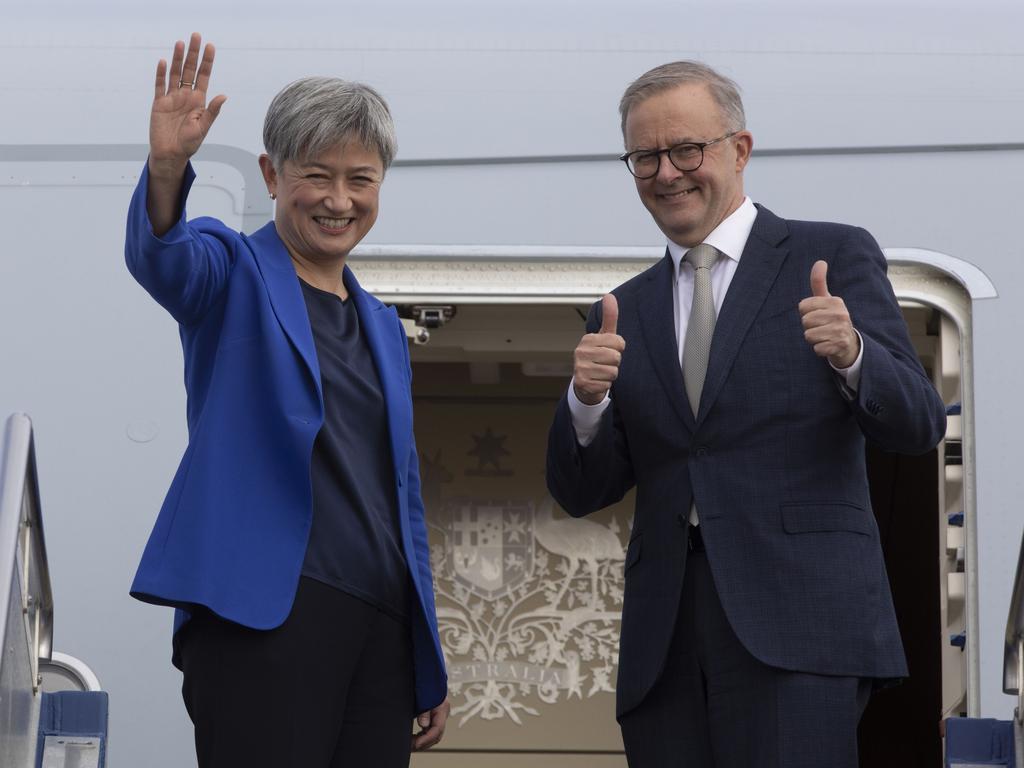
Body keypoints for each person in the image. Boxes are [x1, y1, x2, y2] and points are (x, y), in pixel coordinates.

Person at [545, 60, 946, 767]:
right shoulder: (623, 308)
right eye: (645, 156)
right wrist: (585, 403)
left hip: (799, 623)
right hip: (664, 639)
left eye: (686, 150)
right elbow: (582, 491)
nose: (667, 173)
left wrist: (853, 352)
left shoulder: (831, 256)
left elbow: (917, 424)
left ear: (740, 149)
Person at [125, 33, 449, 768]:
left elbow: (403, 500)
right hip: (263, 611)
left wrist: (424, 652)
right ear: (272, 175)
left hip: (379, 626)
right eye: (318, 176)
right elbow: (162, 258)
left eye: (360, 180)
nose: (339, 200)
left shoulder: (383, 328)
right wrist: (168, 166)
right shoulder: (230, 272)